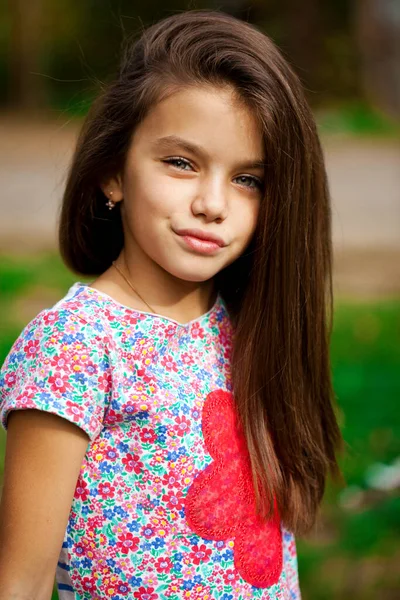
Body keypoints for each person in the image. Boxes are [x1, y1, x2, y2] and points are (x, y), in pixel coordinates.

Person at [0, 9, 344, 600]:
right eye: (181, 163)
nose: (213, 204)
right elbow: (22, 582)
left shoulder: (247, 328)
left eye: (249, 179)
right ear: (113, 172)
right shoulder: (75, 347)